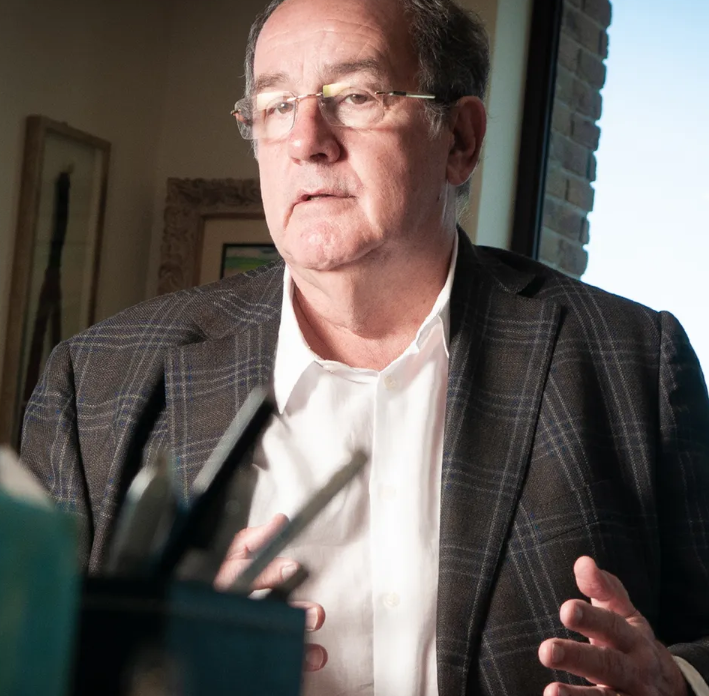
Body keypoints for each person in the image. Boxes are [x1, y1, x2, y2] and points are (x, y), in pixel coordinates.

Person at [20, 0, 709, 693]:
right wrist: (150, 659)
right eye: (276, 106)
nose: (305, 140)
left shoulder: (634, 361)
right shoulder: (97, 384)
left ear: (461, 139)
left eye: (355, 96)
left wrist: (677, 682)